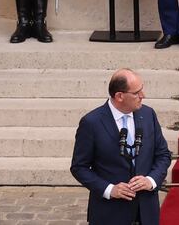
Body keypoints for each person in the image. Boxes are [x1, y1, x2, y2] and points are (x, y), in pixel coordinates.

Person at [71, 69, 171, 225]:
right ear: (119, 96)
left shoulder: (148, 114)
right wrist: (110, 189)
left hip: (146, 212)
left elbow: (163, 154)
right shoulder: (91, 123)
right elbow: (79, 167)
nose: (142, 95)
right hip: (110, 213)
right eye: (136, 92)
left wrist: (150, 180)